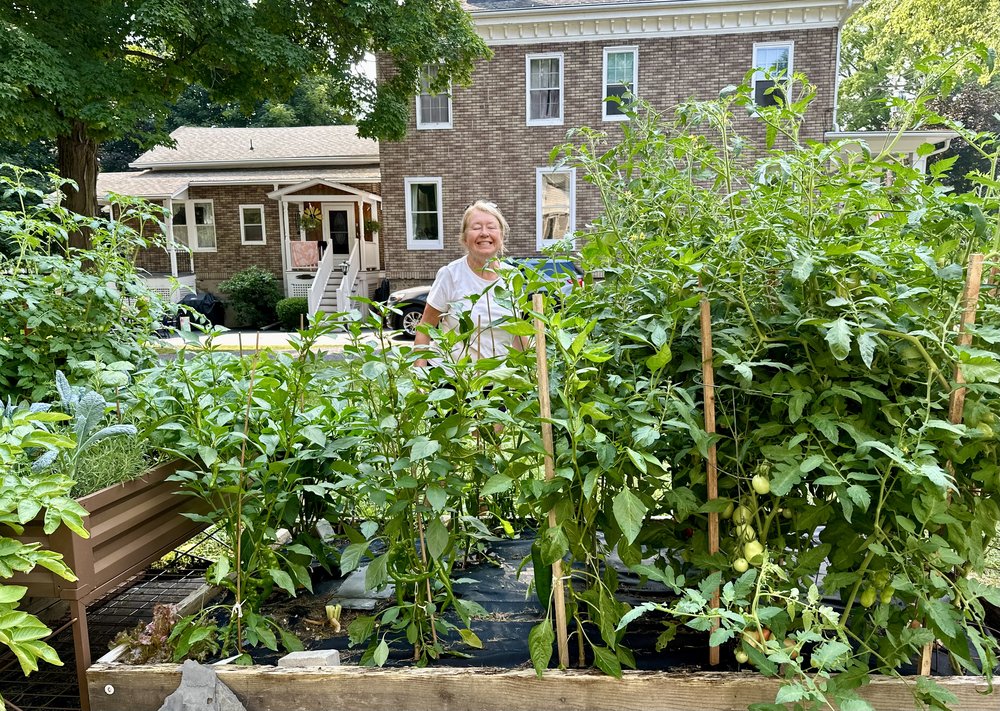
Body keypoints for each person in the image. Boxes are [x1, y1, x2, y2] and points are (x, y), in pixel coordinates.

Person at [414, 201, 520, 367]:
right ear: (464, 237)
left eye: (491, 227)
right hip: (452, 379)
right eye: (476, 227)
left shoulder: (513, 277)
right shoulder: (450, 275)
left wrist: (529, 375)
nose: (484, 233)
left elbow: (518, 335)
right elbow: (425, 327)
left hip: (499, 383)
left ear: (501, 235)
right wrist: (419, 378)